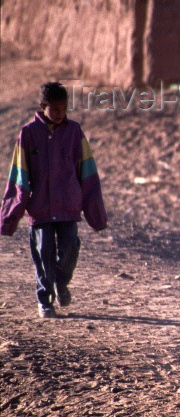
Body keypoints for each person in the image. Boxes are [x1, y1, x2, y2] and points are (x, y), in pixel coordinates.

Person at [1, 82, 107, 318]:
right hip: (40, 209)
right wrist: (10, 216)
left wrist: (96, 215)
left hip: (68, 206)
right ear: (42, 106)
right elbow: (19, 175)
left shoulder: (74, 132)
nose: (59, 114)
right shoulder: (28, 134)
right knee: (43, 254)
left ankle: (61, 282)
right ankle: (45, 300)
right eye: (54, 109)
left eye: (63, 109)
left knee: (70, 248)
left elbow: (88, 173)